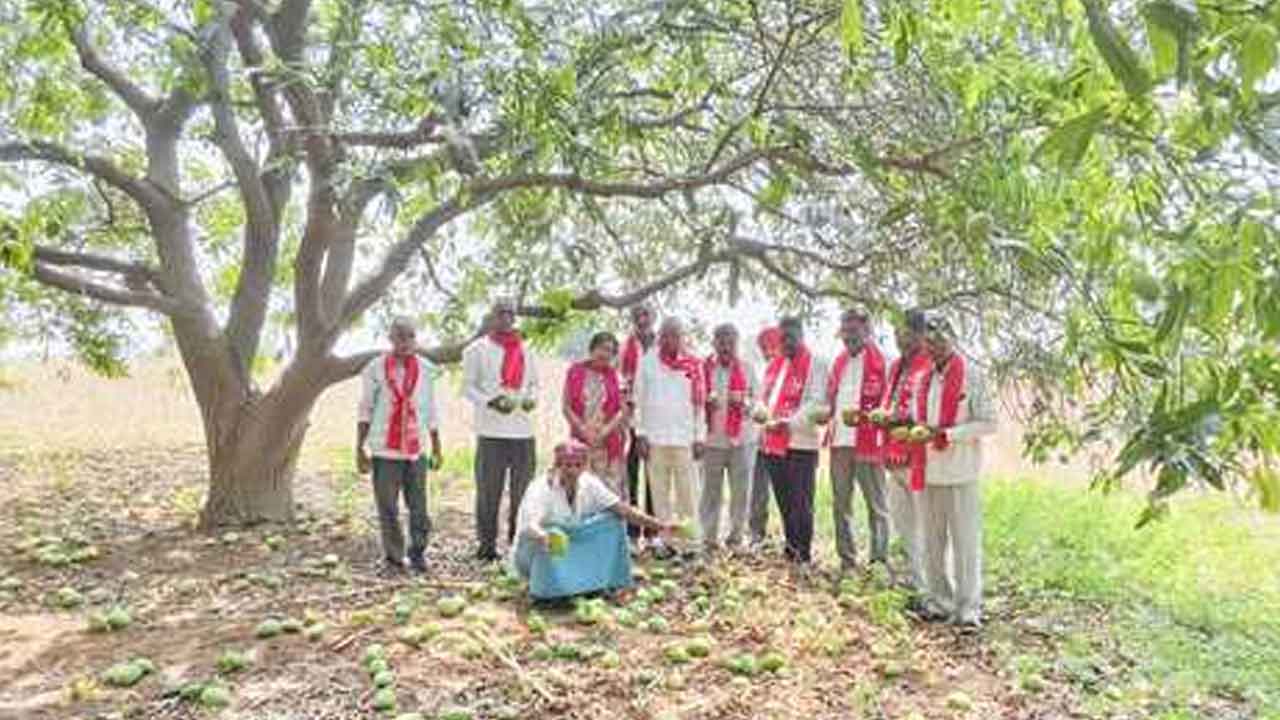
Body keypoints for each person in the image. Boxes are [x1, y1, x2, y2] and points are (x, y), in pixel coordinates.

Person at [511, 442, 676, 601]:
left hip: (569, 545)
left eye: (577, 465)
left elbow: (623, 510)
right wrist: (544, 536)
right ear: (557, 466)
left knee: (613, 520)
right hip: (534, 552)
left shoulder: (589, 484)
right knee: (552, 533)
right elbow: (530, 525)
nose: (572, 471)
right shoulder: (540, 489)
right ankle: (546, 592)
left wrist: (660, 525)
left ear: (584, 466)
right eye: (567, 465)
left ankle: (599, 581)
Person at [914, 317, 996, 629]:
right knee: (932, 542)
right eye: (928, 341)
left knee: (965, 543)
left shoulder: (973, 375)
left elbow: (989, 422)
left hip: (961, 472)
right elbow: (917, 420)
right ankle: (938, 601)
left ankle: (968, 609)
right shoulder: (924, 379)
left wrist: (948, 434)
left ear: (952, 338)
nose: (932, 347)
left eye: (938, 340)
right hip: (929, 470)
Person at [356, 316, 443, 576]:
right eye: (399, 337)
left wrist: (437, 445)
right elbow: (365, 409)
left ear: (415, 339)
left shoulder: (426, 368)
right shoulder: (374, 368)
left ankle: (418, 551)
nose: (405, 342)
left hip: (416, 449)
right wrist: (359, 448)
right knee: (388, 505)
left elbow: (430, 409)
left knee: (418, 505)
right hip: (385, 448)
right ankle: (394, 556)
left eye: (410, 336)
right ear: (390, 339)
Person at [462, 298, 539, 563]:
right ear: (491, 316)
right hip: (491, 431)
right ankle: (486, 546)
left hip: (523, 432)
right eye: (501, 313)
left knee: (523, 493)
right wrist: (490, 401)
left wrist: (531, 399)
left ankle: (518, 544)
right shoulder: (476, 349)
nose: (506, 318)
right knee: (488, 492)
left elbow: (535, 385)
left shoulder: (527, 349)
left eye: (511, 313)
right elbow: (468, 388)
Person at [633, 317, 706, 558]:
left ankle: (690, 545)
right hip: (654, 439)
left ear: (682, 337)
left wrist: (699, 436)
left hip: (685, 439)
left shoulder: (694, 363)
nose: (670, 340)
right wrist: (640, 434)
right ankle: (666, 544)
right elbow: (638, 401)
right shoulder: (647, 363)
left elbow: (699, 405)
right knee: (660, 496)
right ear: (659, 336)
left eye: (675, 335)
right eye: (665, 335)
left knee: (688, 495)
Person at [757, 316, 828, 565]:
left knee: (801, 503)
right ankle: (790, 548)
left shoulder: (816, 363)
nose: (786, 342)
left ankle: (803, 553)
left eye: (791, 337)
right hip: (774, 442)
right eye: (782, 338)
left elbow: (817, 401)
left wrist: (790, 422)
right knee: (784, 501)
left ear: (801, 335)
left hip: (801, 444)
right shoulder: (776, 365)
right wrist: (762, 412)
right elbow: (765, 397)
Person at [826, 308, 888, 573]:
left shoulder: (882, 362)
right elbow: (832, 398)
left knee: (877, 505)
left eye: (853, 332)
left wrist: (874, 416)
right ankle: (847, 560)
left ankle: (878, 561)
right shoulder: (839, 362)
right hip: (840, 441)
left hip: (869, 442)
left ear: (867, 331)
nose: (847, 338)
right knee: (841, 504)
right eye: (844, 333)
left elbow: (889, 404)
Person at [882, 309, 931, 593]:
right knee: (904, 525)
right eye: (896, 333)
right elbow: (892, 406)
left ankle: (936, 589)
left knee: (927, 526)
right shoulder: (896, 367)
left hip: (920, 458)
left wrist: (898, 418)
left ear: (921, 334)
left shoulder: (929, 366)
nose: (899, 338)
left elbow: (926, 412)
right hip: (893, 455)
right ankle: (916, 584)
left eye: (905, 332)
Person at [699, 323, 757, 552]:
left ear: (737, 343)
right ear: (713, 343)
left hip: (741, 440)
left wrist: (745, 404)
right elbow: (693, 397)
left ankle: (735, 539)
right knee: (709, 492)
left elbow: (758, 398)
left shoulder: (748, 368)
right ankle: (709, 538)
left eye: (730, 341)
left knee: (741, 492)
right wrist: (705, 401)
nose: (726, 346)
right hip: (711, 439)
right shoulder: (703, 368)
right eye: (721, 341)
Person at [562, 332, 629, 493]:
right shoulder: (574, 371)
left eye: (610, 351)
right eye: (601, 348)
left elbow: (623, 410)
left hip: (609, 442)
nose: (604, 354)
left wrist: (605, 431)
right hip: (581, 440)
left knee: (609, 492)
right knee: (582, 491)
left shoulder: (617, 377)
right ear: (592, 349)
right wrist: (583, 430)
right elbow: (566, 406)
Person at [620, 305, 657, 540]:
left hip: (656, 419)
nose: (642, 320)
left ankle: (652, 531)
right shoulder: (624, 347)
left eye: (646, 315)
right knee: (631, 475)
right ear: (633, 319)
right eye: (637, 316)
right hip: (630, 419)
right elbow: (616, 378)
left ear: (653, 318)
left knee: (653, 476)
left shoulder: (661, 345)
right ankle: (633, 531)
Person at [748, 326, 783, 548]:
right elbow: (756, 401)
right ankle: (756, 534)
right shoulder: (763, 371)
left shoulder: (791, 369)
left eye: (771, 346)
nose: (768, 352)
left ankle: (790, 535)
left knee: (784, 491)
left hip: (784, 440)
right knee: (758, 490)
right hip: (760, 440)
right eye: (763, 348)